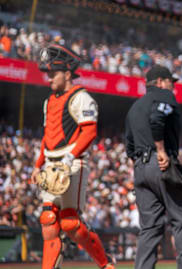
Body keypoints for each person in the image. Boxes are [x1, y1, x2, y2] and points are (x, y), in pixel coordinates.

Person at [30, 44, 116, 269]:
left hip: (72, 162)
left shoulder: (81, 97)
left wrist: (70, 157)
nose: (48, 78)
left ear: (67, 74)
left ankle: (105, 264)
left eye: (53, 73)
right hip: (50, 164)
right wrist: (38, 164)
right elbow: (47, 136)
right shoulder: (48, 101)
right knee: (48, 221)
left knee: (70, 223)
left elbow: (90, 131)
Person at [124, 65, 182, 269]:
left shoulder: (134, 107)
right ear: (159, 82)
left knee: (150, 227)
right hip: (161, 164)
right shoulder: (164, 96)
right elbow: (157, 120)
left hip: (140, 168)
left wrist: (143, 166)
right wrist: (160, 150)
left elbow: (129, 145)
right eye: (170, 82)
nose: (172, 87)